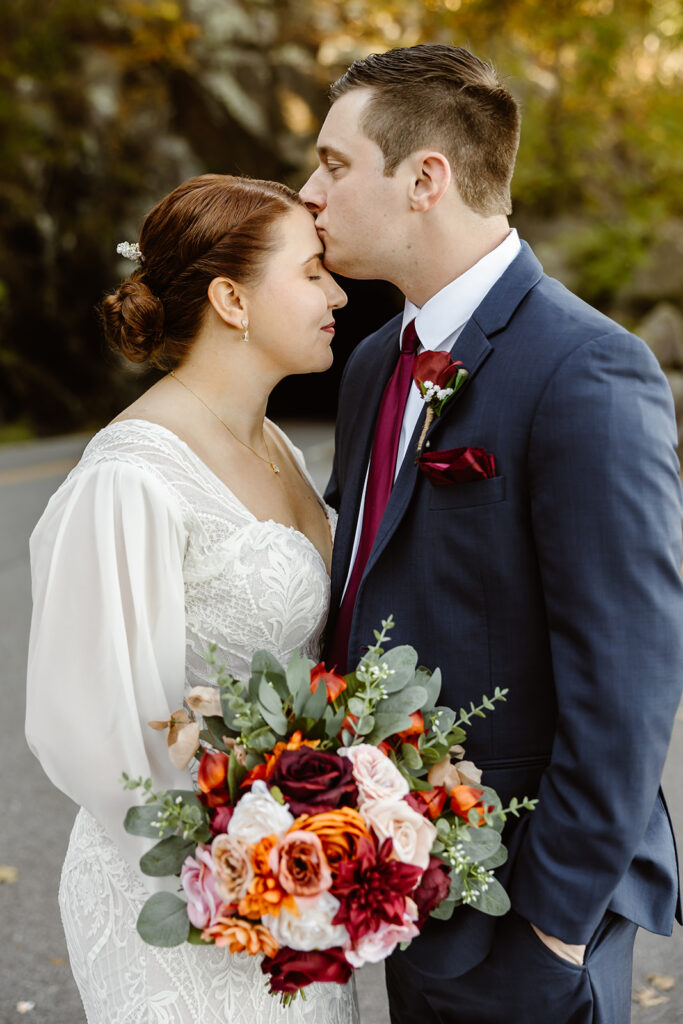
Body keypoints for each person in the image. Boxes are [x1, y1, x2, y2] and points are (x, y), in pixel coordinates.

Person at [300, 43, 683, 1024]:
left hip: (524, 908)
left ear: (424, 178)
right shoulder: (373, 363)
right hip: (394, 886)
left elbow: (626, 677)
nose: (308, 191)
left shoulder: (587, 369)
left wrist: (552, 924)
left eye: (334, 165)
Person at [25, 173, 357, 1023]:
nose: (338, 292)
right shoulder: (131, 477)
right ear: (230, 299)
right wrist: (239, 858)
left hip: (296, 873)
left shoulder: (274, 442)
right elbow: (92, 725)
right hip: (191, 893)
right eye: (312, 272)